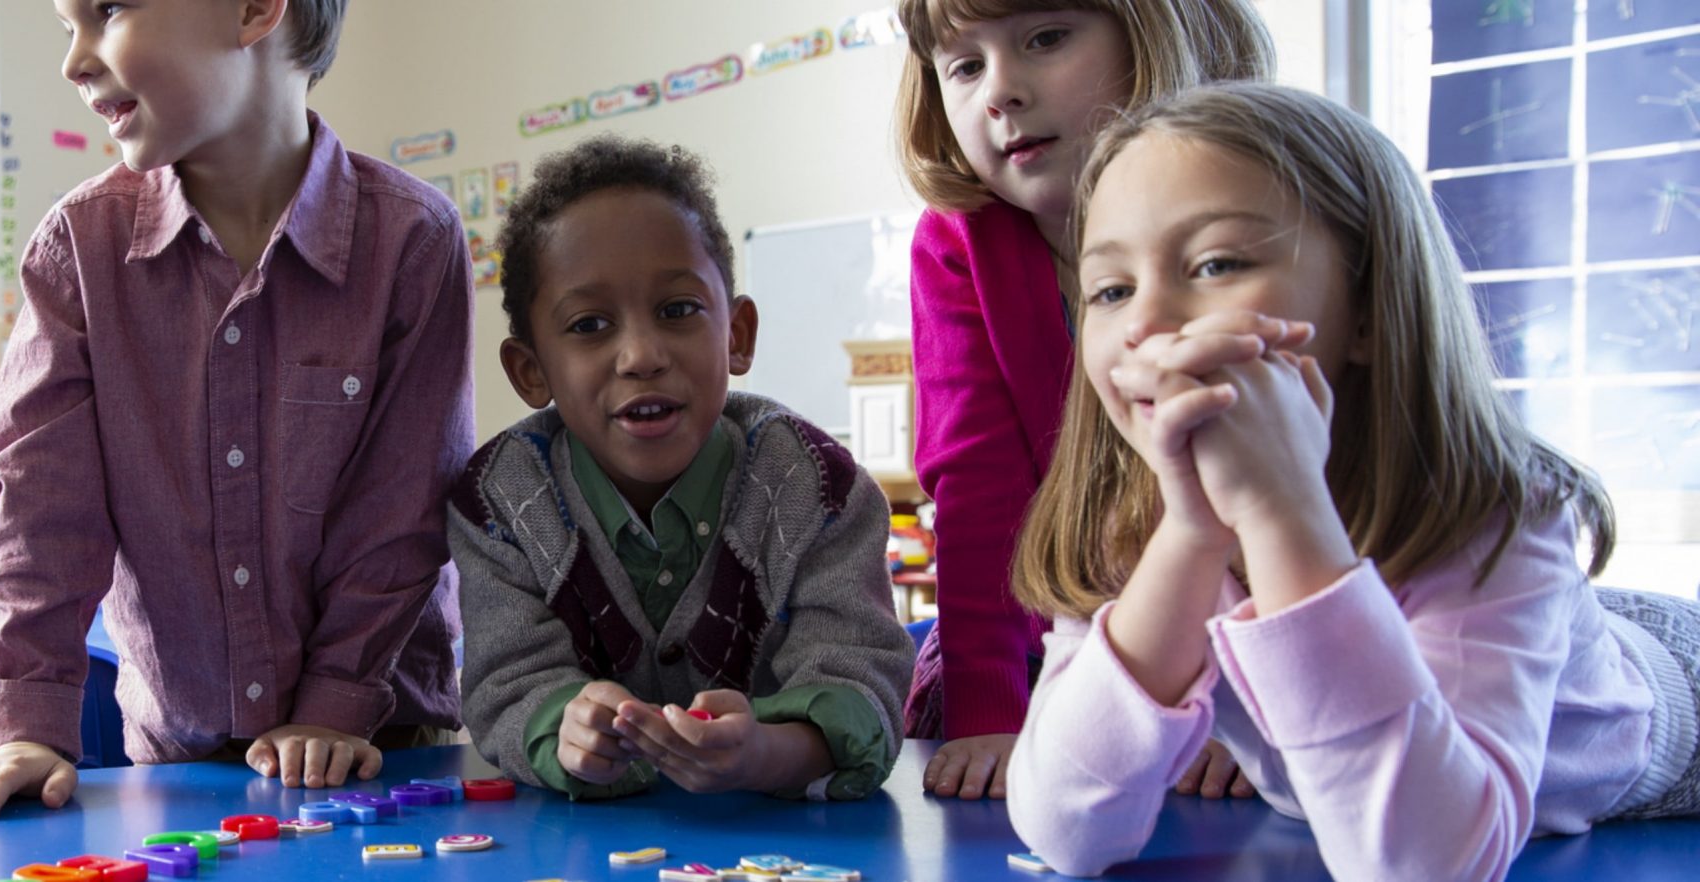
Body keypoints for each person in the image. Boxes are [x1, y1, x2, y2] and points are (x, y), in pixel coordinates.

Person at [1005, 82, 1700, 880]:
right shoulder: (1128, 528)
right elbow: (1064, 831)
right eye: (1111, 290)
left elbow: (1429, 863)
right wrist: (1192, 536)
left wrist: (1278, 510)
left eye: (1217, 263)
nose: (1145, 324)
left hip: (1661, 704)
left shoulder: (1491, 516)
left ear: (1368, 308)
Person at [0, 0, 475, 820]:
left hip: (382, 747)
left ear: (253, 10)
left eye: (107, 12)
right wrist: (30, 727)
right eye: (64, 28)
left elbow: (402, 512)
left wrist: (332, 703)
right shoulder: (78, 248)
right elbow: (42, 513)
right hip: (181, 765)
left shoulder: (412, 241)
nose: (75, 62)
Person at [890, 0, 1273, 800]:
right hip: (1050, 643)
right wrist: (989, 712)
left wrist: (1255, 711)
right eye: (965, 66)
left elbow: (1300, 487)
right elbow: (978, 487)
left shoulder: (1261, 203)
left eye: (1046, 38)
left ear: (1153, 33)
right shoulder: (961, 240)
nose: (1001, 92)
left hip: (1261, 641)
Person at [453, 136, 912, 802]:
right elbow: (505, 687)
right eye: (589, 324)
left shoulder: (818, 487)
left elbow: (860, 679)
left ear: (738, 336)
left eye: (677, 311)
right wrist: (567, 729)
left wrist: (768, 752)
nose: (641, 354)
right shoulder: (498, 505)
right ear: (530, 371)